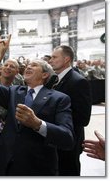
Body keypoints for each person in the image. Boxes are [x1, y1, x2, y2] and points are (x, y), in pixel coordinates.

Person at [0, 35, 75, 176]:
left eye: (34, 65)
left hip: (37, 168)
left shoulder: (60, 99)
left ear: (44, 75)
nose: (28, 67)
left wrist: (37, 124)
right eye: (28, 65)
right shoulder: (14, 91)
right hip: (6, 165)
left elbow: (67, 138)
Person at [49, 45, 92, 176]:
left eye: (54, 57)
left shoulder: (78, 81)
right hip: (55, 139)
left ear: (66, 59)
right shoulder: (53, 79)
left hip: (69, 141)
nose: (50, 60)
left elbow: (83, 118)